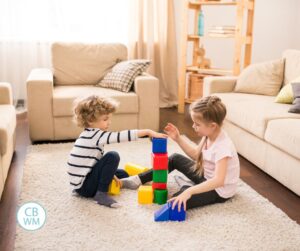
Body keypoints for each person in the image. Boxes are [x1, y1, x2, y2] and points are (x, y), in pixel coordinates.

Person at [122, 96, 240, 211]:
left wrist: (188, 191)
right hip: (205, 177)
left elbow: (218, 181)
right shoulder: (208, 134)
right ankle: (137, 179)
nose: (193, 126)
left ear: (213, 125)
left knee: (177, 202)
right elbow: (195, 154)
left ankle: (186, 186)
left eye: (197, 124)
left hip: (218, 190)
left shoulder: (223, 147)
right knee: (174, 158)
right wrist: (178, 138)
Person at [67, 95, 167, 208]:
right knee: (112, 156)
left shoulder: (87, 134)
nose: (109, 122)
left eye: (109, 118)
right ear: (90, 120)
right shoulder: (96, 135)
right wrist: (148, 131)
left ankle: (105, 184)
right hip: (85, 187)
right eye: (105, 119)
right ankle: (101, 194)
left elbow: (91, 162)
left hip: (79, 185)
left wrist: (111, 175)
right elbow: (121, 136)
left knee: (122, 174)